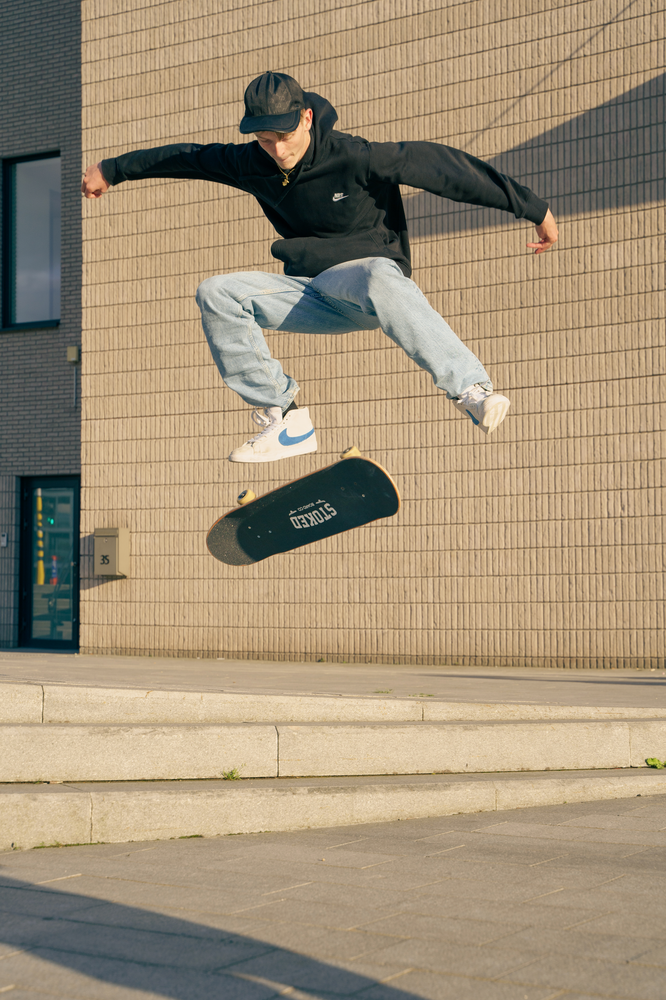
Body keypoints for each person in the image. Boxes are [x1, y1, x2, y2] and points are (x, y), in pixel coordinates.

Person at [82, 72, 558, 463]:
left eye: (285, 137)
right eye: (265, 141)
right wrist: (112, 169)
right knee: (217, 292)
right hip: (311, 294)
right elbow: (183, 157)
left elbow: (445, 168)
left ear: (306, 118)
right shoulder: (250, 163)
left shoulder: (357, 156)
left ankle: (471, 390)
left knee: (373, 272)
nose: (277, 151)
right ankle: (283, 419)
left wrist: (533, 209)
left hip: (371, 286)